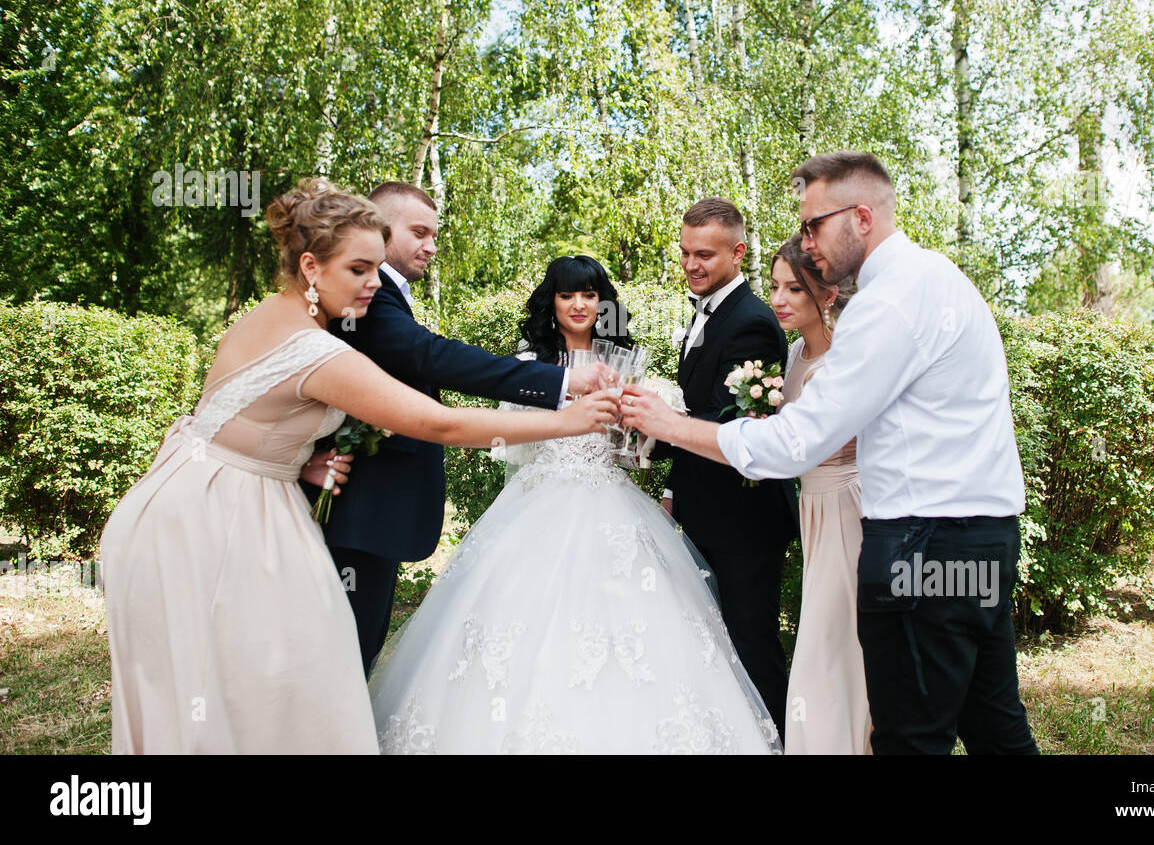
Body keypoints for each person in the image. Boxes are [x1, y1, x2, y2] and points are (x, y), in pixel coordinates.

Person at [99, 179, 619, 754]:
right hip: (213, 525)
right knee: (262, 687)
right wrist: (570, 419)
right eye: (359, 270)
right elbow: (439, 423)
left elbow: (242, 414)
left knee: (232, 691)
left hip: (193, 496)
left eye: (377, 269)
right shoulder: (319, 349)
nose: (375, 285)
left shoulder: (270, 314)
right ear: (311, 266)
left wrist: (298, 460)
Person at [621, 151, 1039, 755]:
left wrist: (670, 424)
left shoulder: (886, 303)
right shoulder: (939, 277)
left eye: (815, 224)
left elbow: (795, 441)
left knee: (909, 737)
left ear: (862, 216)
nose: (806, 241)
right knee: (996, 727)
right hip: (984, 535)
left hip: (922, 546)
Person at [367, 256, 782, 754]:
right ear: (553, 303)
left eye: (589, 294)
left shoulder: (630, 363)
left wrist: (636, 435)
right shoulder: (526, 367)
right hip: (541, 502)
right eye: (567, 295)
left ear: (603, 303)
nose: (579, 305)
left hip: (615, 503)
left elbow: (642, 455)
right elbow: (511, 447)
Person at [299, 181, 615, 678]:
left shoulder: (372, 297)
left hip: (370, 504)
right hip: (363, 507)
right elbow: (431, 360)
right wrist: (562, 384)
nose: (431, 246)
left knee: (351, 655)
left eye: (434, 234)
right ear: (381, 231)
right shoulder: (368, 301)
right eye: (419, 233)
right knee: (344, 660)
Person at [656, 198, 799, 737]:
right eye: (686, 253)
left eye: (705, 255)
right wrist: (672, 482)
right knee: (714, 640)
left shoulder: (754, 323)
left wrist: (651, 428)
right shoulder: (706, 311)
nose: (692, 265)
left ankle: (781, 740)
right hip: (703, 506)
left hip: (745, 518)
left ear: (738, 253)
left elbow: (728, 423)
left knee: (750, 641)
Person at [768, 234, 870, 755]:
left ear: (825, 295)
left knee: (830, 639)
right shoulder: (791, 355)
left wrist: (772, 440)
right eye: (775, 287)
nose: (779, 300)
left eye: (794, 289)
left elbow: (839, 441)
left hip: (844, 505)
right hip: (811, 506)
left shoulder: (843, 360)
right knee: (824, 630)